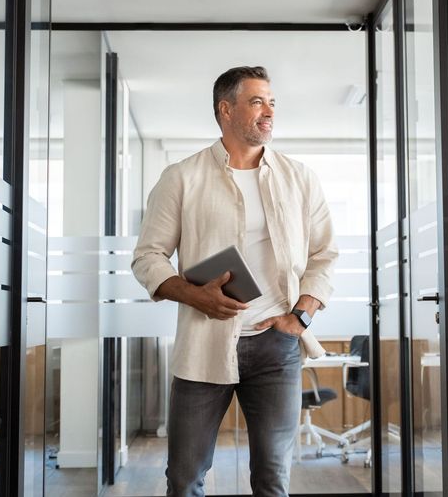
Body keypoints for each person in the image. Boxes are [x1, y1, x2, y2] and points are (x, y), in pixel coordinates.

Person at [132, 66, 338, 497]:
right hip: (204, 345)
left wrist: (300, 316)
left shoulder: (299, 178)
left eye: (272, 102)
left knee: (272, 478)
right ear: (225, 110)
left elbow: (325, 255)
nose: (269, 112)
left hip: (276, 346)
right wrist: (193, 295)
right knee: (184, 477)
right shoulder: (181, 177)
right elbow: (148, 257)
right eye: (257, 102)